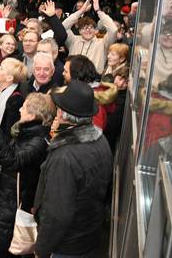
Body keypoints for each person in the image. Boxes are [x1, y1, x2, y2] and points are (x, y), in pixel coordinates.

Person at [33, 81, 113, 258]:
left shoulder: (64, 157)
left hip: (66, 245)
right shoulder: (101, 140)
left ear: (62, 114)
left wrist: (41, 250)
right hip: (89, 235)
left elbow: (57, 215)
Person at [0, 93, 54, 258]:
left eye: (24, 107)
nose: (20, 109)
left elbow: (14, 161)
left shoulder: (38, 141)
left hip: (13, 206)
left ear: (32, 115)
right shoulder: (26, 133)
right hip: (6, 200)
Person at [62, 0, 118, 74]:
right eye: (84, 28)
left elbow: (113, 29)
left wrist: (98, 11)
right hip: (72, 81)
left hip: (93, 83)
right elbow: (63, 27)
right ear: (79, 31)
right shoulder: (73, 41)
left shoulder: (103, 43)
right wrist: (81, 11)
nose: (88, 30)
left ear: (96, 30)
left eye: (91, 27)